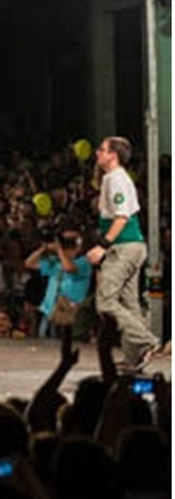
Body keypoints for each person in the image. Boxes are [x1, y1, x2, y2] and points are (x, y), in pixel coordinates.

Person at [84, 137, 167, 370]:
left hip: (124, 247)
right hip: (131, 246)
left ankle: (147, 341)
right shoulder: (115, 178)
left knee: (106, 302)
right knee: (129, 304)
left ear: (113, 155)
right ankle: (134, 358)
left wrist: (103, 245)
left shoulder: (116, 180)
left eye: (102, 149)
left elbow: (122, 217)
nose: (98, 152)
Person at [25, 227, 91, 337]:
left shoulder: (83, 262)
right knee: (45, 345)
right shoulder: (56, 261)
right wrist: (44, 248)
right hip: (50, 310)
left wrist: (59, 250)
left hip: (70, 311)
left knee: (65, 342)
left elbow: (69, 268)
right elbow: (29, 263)